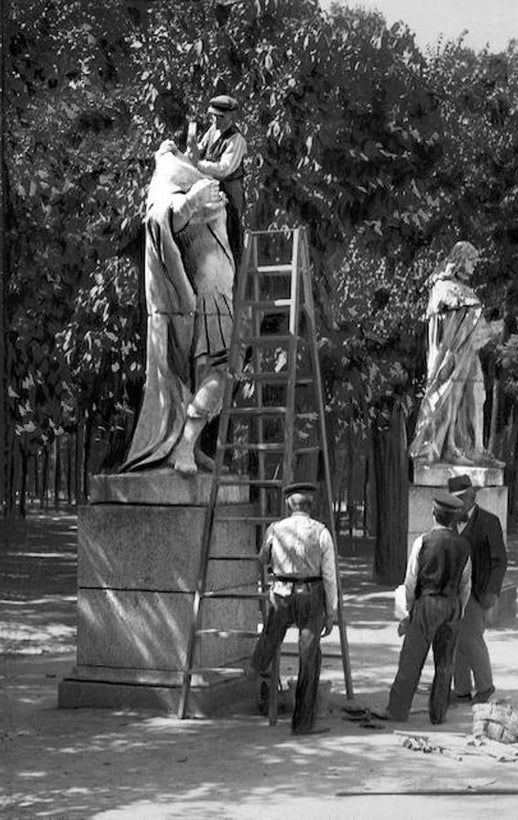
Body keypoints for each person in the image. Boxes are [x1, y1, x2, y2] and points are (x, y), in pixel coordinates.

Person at [120, 141, 234, 474]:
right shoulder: (172, 173)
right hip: (213, 298)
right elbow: (162, 217)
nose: (194, 148)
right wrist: (192, 199)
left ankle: (190, 447)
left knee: (211, 377)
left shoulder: (196, 177)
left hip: (219, 296)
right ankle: (184, 447)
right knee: (221, 373)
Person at [245, 482, 338, 735]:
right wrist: (331, 612)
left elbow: (263, 558)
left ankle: (256, 664)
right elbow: (329, 576)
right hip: (311, 595)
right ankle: (303, 723)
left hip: (281, 593)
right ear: (311, 505)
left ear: (289, 504)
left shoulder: (275, 529)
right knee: (309, 658)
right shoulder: (321, 532)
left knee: (272, 631)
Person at [378, 491, 472, 724]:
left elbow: (411, 580)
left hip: (427, 603)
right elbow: (465, 584)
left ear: (433, 514)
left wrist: (409, 610)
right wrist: (459, 609)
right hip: (452, 604)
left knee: (411, 659)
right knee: (445, 663)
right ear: (453, 519)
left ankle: (397, 710)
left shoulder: (423, 542)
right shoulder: (463, 546)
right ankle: (438, 714)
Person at [408, 241, 504, 467]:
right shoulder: (444, 287)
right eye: (471, 260)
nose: (474, 266)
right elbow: (451, 329)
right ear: (459, 260)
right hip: (452, 356)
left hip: (469, 353)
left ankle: (477, 448)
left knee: (478, 396)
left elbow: (472, 327)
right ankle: (449, 446)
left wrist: (490, 330)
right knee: (452, 397)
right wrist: (489, 329)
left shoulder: (466, 291)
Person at [448, 474, 507, 705]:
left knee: (471, 639)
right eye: (455, 499)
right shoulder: (449, 521)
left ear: (472, 495)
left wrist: (493, 591)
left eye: (462, 498)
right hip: (452, 594)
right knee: (455, 641)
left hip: (477, 592)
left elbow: (499, 560)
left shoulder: (489, 521)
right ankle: (461, 689)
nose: (459, 503)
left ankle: (485, 686)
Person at [188, 94, 247, 267]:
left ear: (230, 116)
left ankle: (235, 266)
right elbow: (199, 148)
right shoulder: (212, 130)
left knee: (231, 229)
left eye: (220, 117)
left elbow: (224, 169)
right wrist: (189, 154)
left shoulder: (236, 139)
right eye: (214, 116)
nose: (216, 120)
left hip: (229, 188)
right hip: (211, 186)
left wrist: (198, 164)